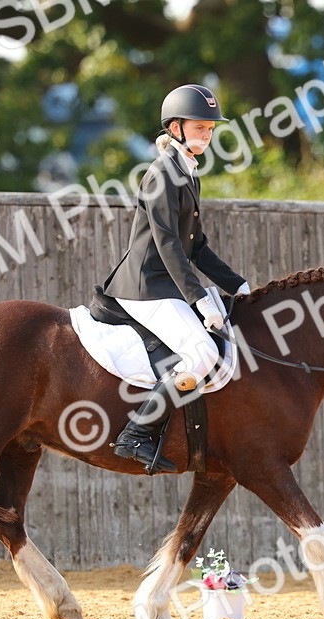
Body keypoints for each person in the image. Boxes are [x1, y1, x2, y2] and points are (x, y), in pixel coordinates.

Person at [102, 84, 251, 473]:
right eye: (200, 128)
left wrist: (238, 285)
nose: (206, 135)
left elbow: (196, 246)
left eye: (210, 130)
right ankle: (137, 432)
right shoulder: (161, 174)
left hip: (167, 285)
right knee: (201, 353)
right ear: (176, 127)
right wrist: (200, 297)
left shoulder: (188, 173)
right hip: (146, 285)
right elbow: (168, 243)